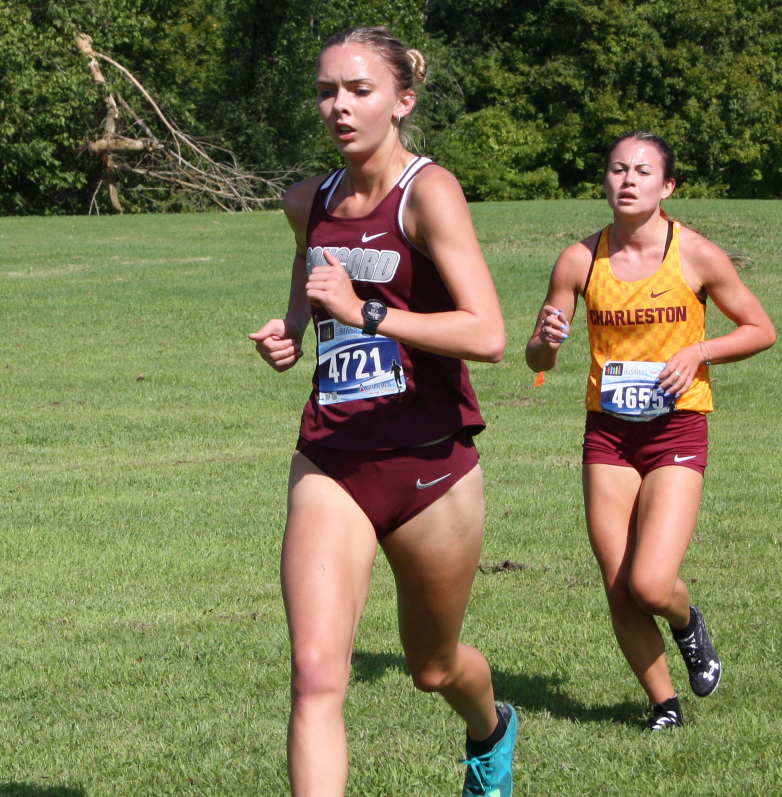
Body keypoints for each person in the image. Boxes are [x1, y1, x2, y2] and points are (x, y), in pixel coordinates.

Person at [248, 26, 516, 797]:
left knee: (432, 665)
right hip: (333, 460)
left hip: (432, 465)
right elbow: (311, 274)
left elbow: (488, 334)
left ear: (402, 100)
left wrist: (368, 315)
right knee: (315, 673)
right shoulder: (309, 201)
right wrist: (291, 332)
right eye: (327, 91)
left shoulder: (428, 193)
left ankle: (490, 727)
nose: (338, 106)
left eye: (358, 91)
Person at [525, 131, 776, 731]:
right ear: (605, 181)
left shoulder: (697, 255)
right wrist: (546, 344)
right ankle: (665, 705)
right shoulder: (579, 260)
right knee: (618, 588)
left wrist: (701, 352)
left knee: (650, 581)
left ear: (666, 187)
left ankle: (688, 622)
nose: (628, 180)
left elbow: (760, 328)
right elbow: (536, 359)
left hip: (676, 428)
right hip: (608, 433)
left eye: (642, 171)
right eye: (617, 169)